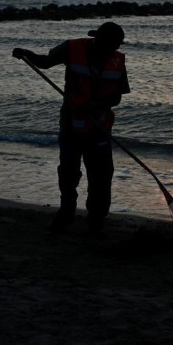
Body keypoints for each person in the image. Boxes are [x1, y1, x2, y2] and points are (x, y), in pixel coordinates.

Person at [12, 21, 130, 235]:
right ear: (99, 40)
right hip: (71, 124)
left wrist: (96, 105)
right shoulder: (72, 48)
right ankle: (66, 214)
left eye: (117, 46)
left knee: (101, 175)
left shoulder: (117, 60)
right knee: (68, 173)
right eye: (112, 45)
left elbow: (117, 96)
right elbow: (45, 62)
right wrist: (27, 54)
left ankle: (96, 219)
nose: (114, 50)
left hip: (99, 127)